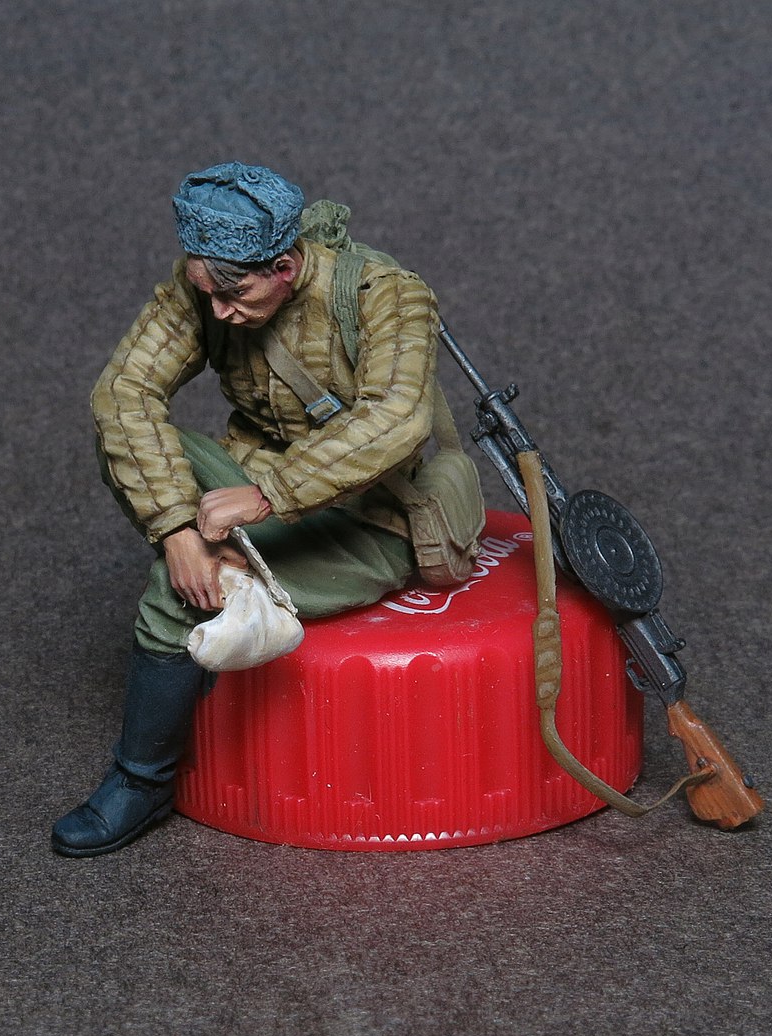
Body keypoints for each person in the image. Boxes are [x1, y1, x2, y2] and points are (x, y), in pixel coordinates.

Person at [51, 162, 477, 857]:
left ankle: (142, 780)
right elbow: (125, 391)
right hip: (249, 489)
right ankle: (216, 562)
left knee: (176, 597)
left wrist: (268, 495)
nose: (219, 311)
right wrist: (177, 530)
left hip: (371, 515)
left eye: (235, 293)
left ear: (284, 266)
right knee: (125, 433)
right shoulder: (206, 286)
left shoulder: (385, 295)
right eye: (207, 292)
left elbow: (397, 421)